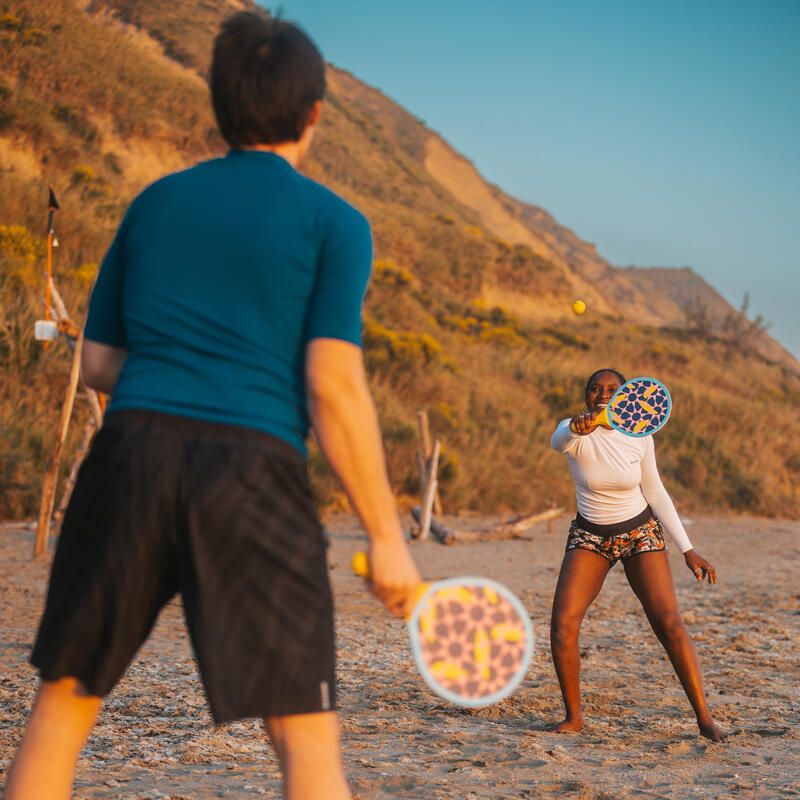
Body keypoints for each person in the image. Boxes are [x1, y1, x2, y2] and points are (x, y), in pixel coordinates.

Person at [2, 11, 420, 800]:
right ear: (314, 114)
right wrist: (386, 537)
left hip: (129, 456)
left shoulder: (155, 204)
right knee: (305, 742)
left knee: (60, 713)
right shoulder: (336, 222)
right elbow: (333, 383)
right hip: (252, 470)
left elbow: (95, 362)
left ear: (221, 106)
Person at [548, 368, 727, 742]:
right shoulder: (575, 430)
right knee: (563, 623)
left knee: (669, 623)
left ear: (626, 395)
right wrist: (576, 428)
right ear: (587, 396)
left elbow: (656, 490)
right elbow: (557, 441)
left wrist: (688, 550)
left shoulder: (639, 435)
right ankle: (574, 717)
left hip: (639, 532)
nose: (602, 394)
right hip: (590, 536)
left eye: (612, 389)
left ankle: (705, 720)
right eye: (595, 389)